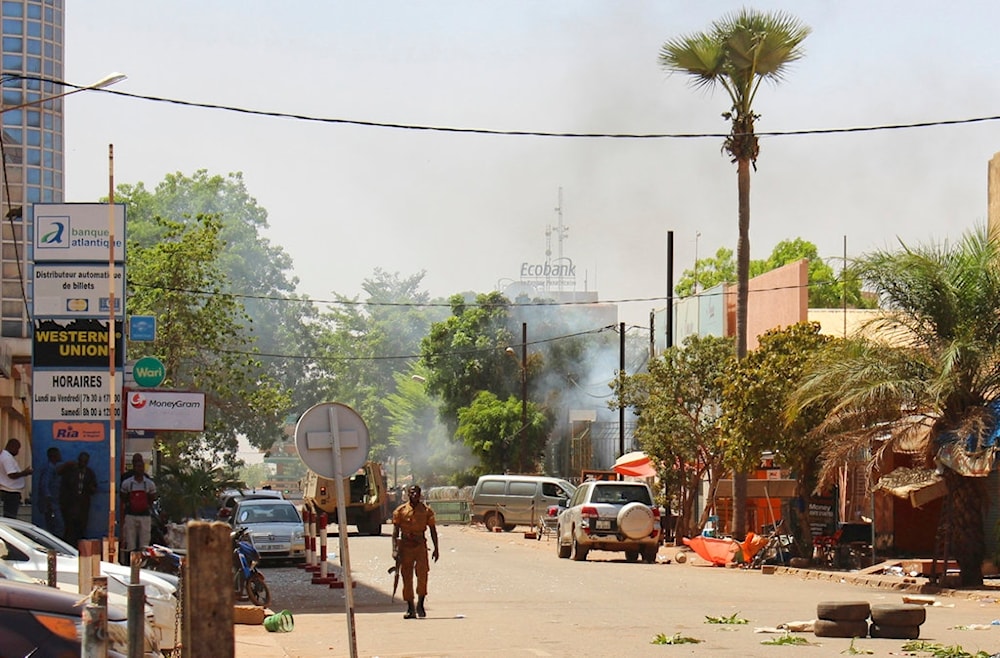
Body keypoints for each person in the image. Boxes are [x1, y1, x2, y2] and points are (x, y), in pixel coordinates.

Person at [391, 484, 440, 619]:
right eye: (412, 493)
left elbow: (433, 530)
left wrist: (436, 549)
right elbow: (395, 533)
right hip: (405, 546)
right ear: (408, 494)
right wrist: (394, 550)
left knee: (423, 575)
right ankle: (410, 607)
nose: (414, 495)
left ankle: (421, 604)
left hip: (420, 546)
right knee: (407, 576)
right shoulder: (400, 511)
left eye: (417, 493)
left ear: (420, 495)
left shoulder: (426, 511)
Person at [58, 451, 98, 547]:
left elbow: (94, 487)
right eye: (81, 461)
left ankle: (79, 548)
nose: (83, 463)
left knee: (81, 527)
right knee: (69, 528)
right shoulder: (71, 471)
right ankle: (68, 547)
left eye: (85, 461)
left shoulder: (89, 473)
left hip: (83, 504)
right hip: (70, 504)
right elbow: (63, 484)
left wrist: (91, 488)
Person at [120, 453, 157, 554]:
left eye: (140, 466)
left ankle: (143, 564)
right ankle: (131, 563)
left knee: (144, 543)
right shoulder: (127, 482)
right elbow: (123, 497)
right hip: (130, 515)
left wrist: (144, 505)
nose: (139, 469)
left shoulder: (149, 483)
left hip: (145, 515)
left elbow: (153, 497)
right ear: (133, 466)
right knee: (130, 541)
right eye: (136, 465)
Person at [0, 439, 32, 519]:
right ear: (12, 446)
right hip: (10, 491)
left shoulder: (5, 456)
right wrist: (25, 472)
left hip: (11, 491)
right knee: (10, 517)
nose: (18, 451)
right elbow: (11, 474)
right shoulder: (6, 458)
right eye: (17, 448)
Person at [36, 446, 63, 535]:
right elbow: (44, 485)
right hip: (51, 503)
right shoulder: (49, 468)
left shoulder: (53, 467)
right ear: (54, 456)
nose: (60, 456)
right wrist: (48, 501)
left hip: (53, 501)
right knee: (57, 525)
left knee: (54, 525)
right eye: (58, 454)